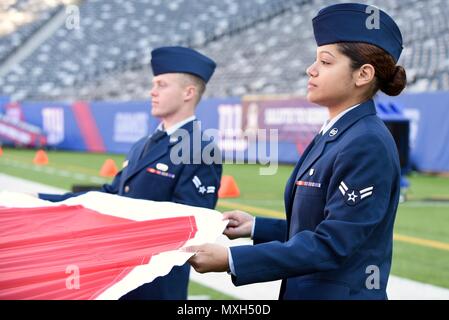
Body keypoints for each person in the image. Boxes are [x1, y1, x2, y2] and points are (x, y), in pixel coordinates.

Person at [185, 3, 406, 300]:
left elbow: (333, 244)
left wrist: (232, 259)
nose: (310, 69)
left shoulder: (367, 143)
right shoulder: (337, 133)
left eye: (325, 62)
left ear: (363, 74)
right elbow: (317, 225)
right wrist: (255, 227)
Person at [38, 46, 223, 300]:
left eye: (161, 84)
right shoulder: (143, 144)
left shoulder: (199, 149)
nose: (152, 91)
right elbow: (111, 195)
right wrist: (39, 201)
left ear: (188, 93)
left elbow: (191, 224)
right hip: (120, 278)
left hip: (156, 284)